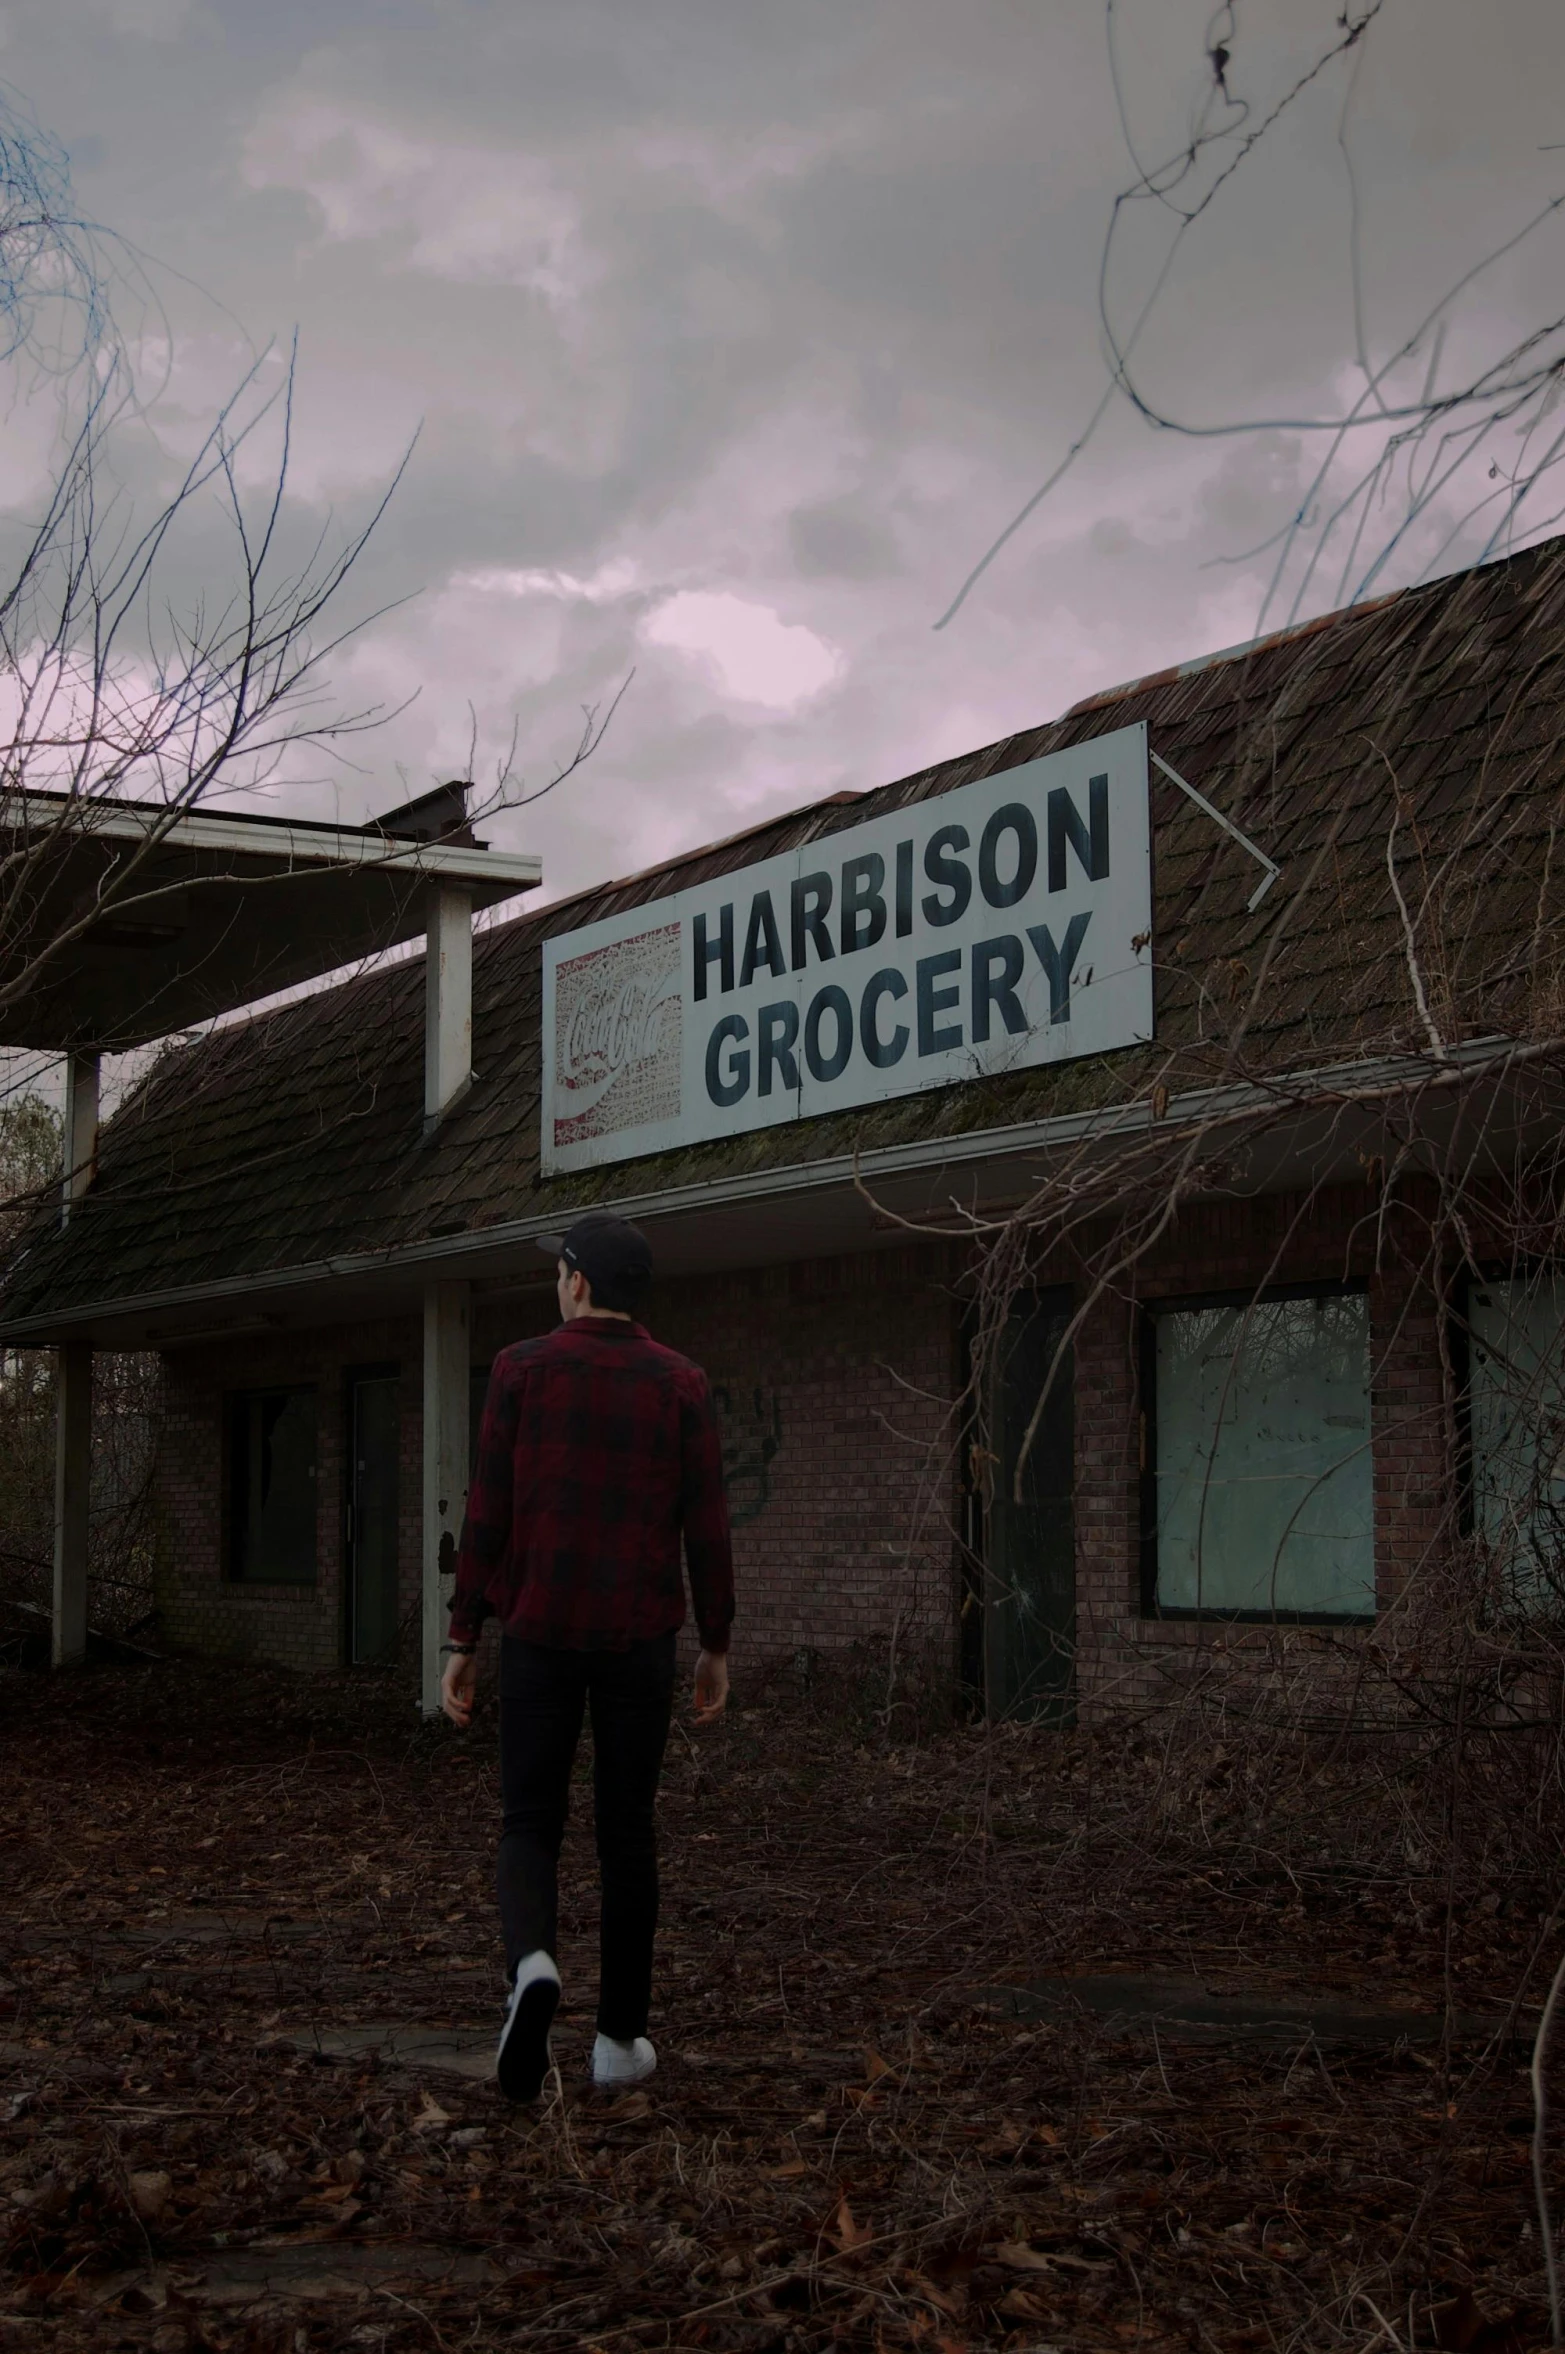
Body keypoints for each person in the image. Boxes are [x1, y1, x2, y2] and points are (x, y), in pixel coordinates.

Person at [440, 1210, 734, 2103]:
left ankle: (531, 1965)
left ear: (575, 1282)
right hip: (638, 1643)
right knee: (626, 1834)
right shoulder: (681, 1384)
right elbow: (708, 1528)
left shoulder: (520, 1372)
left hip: (536, 1634)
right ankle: (616, 2042)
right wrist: (714, 1643)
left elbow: (487, 1512)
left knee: (529, 1823)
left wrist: (463, 1636)